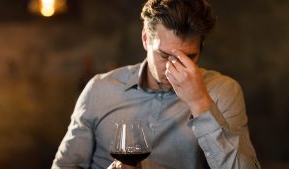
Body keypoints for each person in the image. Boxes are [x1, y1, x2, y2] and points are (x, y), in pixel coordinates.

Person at [51, 0, 261, 168]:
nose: (173, 67)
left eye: (189, 56)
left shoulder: (223, 91)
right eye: (164, 55)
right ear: (145, 39)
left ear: (201, 48)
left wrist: (199, 102)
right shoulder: (99, 89)